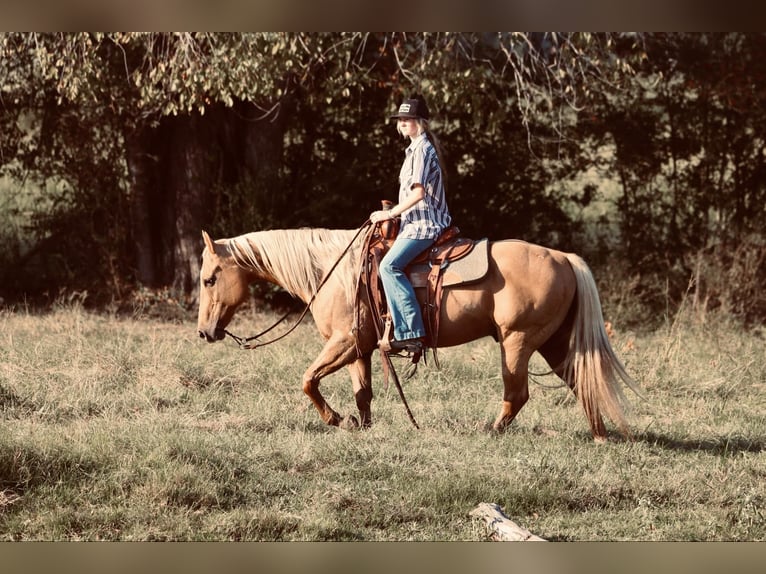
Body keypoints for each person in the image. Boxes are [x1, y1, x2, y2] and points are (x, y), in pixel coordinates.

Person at [369, 96, 452, 352]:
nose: (403, 122)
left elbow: (418, 195)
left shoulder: (422, 150)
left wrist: (389, 213)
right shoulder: (414, 150)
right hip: (413, 223)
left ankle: (411, 331)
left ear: (420, 122)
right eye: (401, 119)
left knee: (389, 267)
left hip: (425, 224)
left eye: (408, 119)